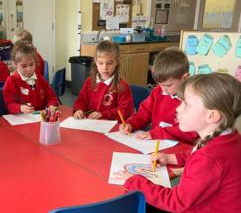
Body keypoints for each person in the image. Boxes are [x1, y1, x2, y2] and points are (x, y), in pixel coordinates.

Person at [112, 73, 241, 212]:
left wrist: (134, 181)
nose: (178, 109)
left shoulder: (208, 159)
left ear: (212, 116)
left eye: (186, 104)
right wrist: (171, 158)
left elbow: (176, 202)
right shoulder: (229, 137)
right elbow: (197, 150)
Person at [119, 48, 198, 144]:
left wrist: (156, 133)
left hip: (181, 148)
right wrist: (130, 124)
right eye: (160, 84)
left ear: (185, 78)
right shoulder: (158, 92)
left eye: (168, 85)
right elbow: (143, 114)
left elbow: (189, 132)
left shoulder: (195, 100)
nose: (163, 89)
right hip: (156, 144)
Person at [73, 40, 134, 120]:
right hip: (90, 124)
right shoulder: (89, 81)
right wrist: (78, 110)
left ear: (116, 62)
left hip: (111, 127)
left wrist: (103, 114)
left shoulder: (122, 85)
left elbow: (126, 111)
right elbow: (81, 101)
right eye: (101, 63)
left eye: (109, 63)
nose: (105, 68)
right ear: (95, 62)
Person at [3, 41, 59, 114]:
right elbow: (9, 103)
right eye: (24, 66)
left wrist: (52, 105)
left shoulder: (40, 79)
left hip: (40, 117)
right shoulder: (12, 81)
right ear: (15, 64)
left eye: (31, 64)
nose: (29, 69)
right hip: (21, 119)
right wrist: (20, 108)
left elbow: (51, 97)